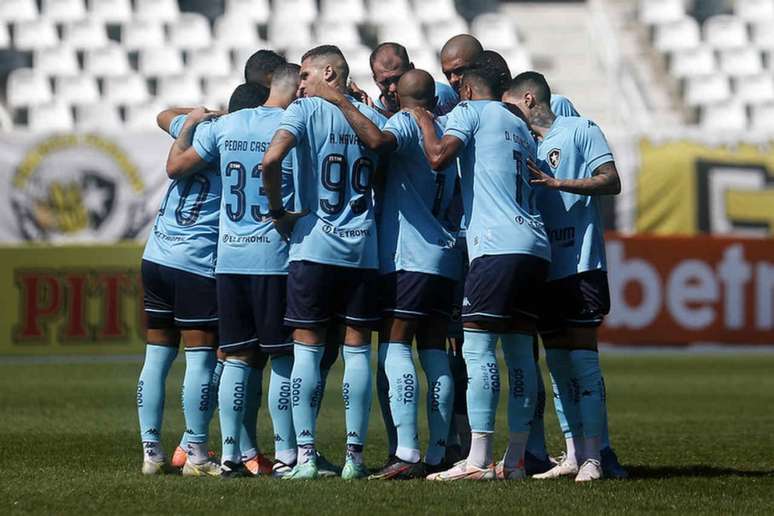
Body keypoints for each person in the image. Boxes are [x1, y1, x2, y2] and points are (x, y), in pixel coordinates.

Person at [305, 68, 463, 479]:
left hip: (409, 256)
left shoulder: (407, 122)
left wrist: (343, 101)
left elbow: (379, 142)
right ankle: (439, 450)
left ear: (405, 94)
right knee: (434, 353)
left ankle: (406, 451)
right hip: (446, 256)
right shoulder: (448, 129)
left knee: (396, 347)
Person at [414, 65, 551, 481]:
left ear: (470, 89)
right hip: (535, 244)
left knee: (476, 349)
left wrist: (420, 114)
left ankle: (477, 460)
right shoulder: (520, 126)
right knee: (520, 354)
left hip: (495, 246)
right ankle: (516, 460)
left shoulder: (470, 112)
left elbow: (438, 157)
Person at [165, 64, 302, 478]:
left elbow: (177, 165)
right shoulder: (297, 125)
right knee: (281, 358)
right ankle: (285, 454)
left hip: (230, 259)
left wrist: (189, 124)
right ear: (296, 92)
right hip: (274, 259)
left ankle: (227, 455)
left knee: (236, 357)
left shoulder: (230, 124)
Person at [262, 45, 387, 480]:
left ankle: (307, 456)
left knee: (307, 353)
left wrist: (279, 212)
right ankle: (354, 459)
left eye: (306, 75)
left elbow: (271, 159)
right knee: (356, 353)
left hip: (314, 248)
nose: (300, 83)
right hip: (363, 250)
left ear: (329, 72)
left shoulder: (304, 112)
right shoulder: (371, 118)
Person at [136, 83, 267, 477]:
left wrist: (195, 117)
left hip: (156, 254)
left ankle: (151, 450)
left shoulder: (204, 132)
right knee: (202, 357)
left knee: (156, 358)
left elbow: (161, 115)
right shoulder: (237, 137)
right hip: (195, 261)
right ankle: (195, 451)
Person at [503, 81, 628, 480]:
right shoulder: (523, 144)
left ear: (528, 99)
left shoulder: (580, 130)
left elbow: (611, 180)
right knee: (557, 365)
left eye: (510, 105)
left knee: (583, 360)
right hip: (545, 265)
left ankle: (595, 456)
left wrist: (561, 183)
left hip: (580, 264)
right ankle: (574, 453)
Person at [369, 42, 458, 117]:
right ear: (375, 80)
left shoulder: (441, 94)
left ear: (411, 68)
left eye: (398, 78)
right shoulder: (373, 117)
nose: (393, 87)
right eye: (385, 82)